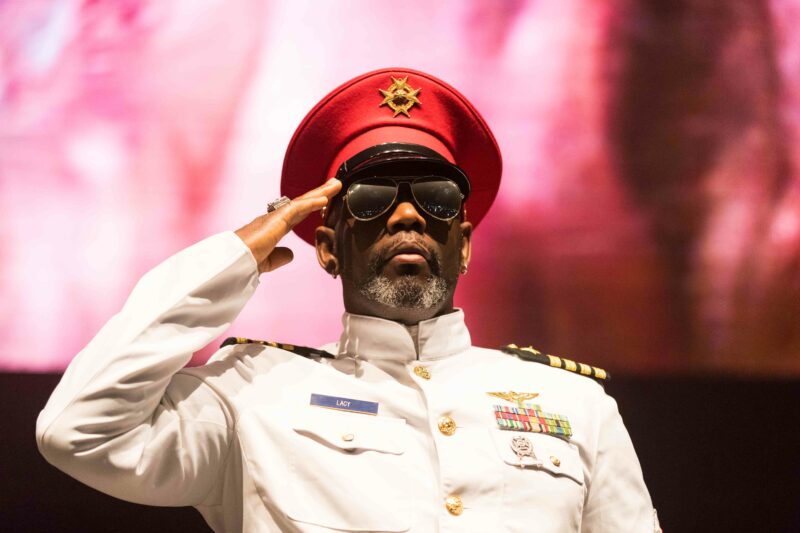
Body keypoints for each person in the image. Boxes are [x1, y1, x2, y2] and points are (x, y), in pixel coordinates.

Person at [37, 68, 661, 532]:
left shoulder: (573, 403)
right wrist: (234, 256)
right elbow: (78, 432)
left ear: (465, 245)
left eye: (437, 197)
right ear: (328, 249)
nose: (408, 215)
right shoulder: (250, 393)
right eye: (371, 201)